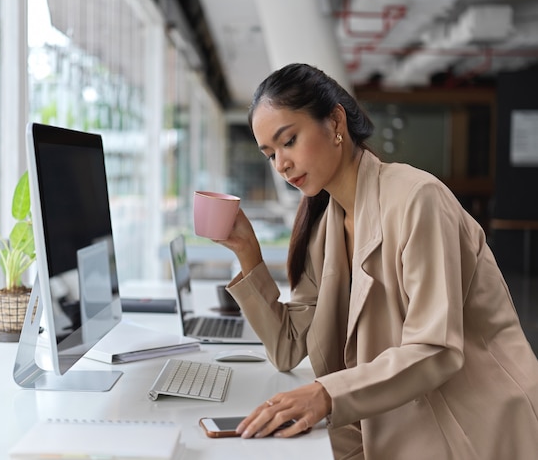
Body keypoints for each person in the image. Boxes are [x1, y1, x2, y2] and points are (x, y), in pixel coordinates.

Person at [217, 63, 538, 459]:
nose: (280, 164)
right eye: (269, 154)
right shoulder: (325, 230)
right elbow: (288, 347)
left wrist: (326, 394)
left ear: (335, 122)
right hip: (402, 427)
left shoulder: (417, 198)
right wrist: (248, 254)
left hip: (475, 428)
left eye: (289, 140)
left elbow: (436, 349)